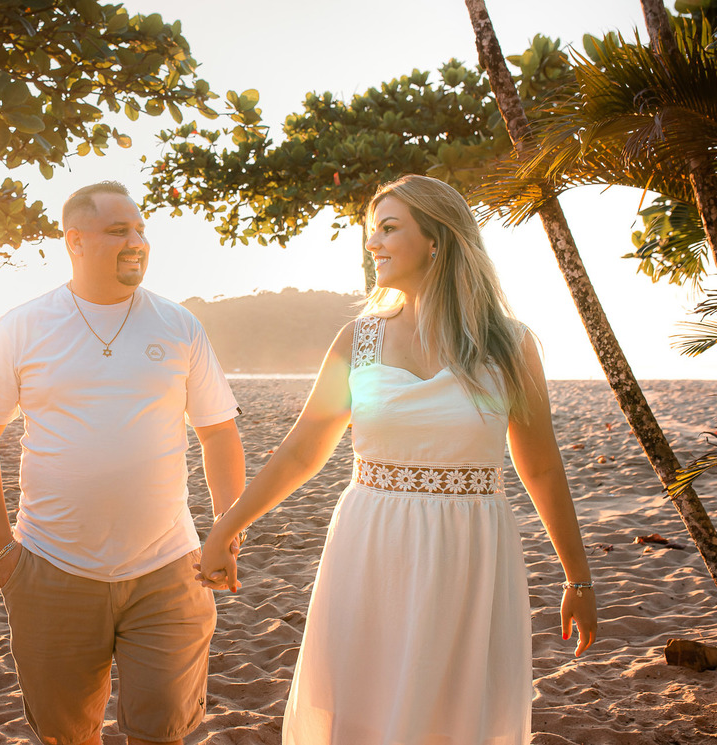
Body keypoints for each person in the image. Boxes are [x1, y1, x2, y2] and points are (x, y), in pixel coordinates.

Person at [198, 174, 598, 745]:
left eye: (388, 228)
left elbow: (540, 467)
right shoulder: (356, 339)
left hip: (469, 549)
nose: (373, 244)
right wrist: (227, 526)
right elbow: (302, 449)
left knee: (453, 715)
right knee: (363, 709)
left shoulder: (509, 345)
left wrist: (577, 581)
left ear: (437, 239)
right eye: (371, 231)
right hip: (371, 544)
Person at [0, 180, 246, 745]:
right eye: (119, 230)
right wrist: (2, 553)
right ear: (75, 241)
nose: (136, 240)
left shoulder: (178, 325)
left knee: (163, 729)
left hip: (169, 569)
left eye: (141, 230)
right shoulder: (24, 326)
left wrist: (225, 534)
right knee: (66, 735)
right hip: (49, 567)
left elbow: (219, 433)